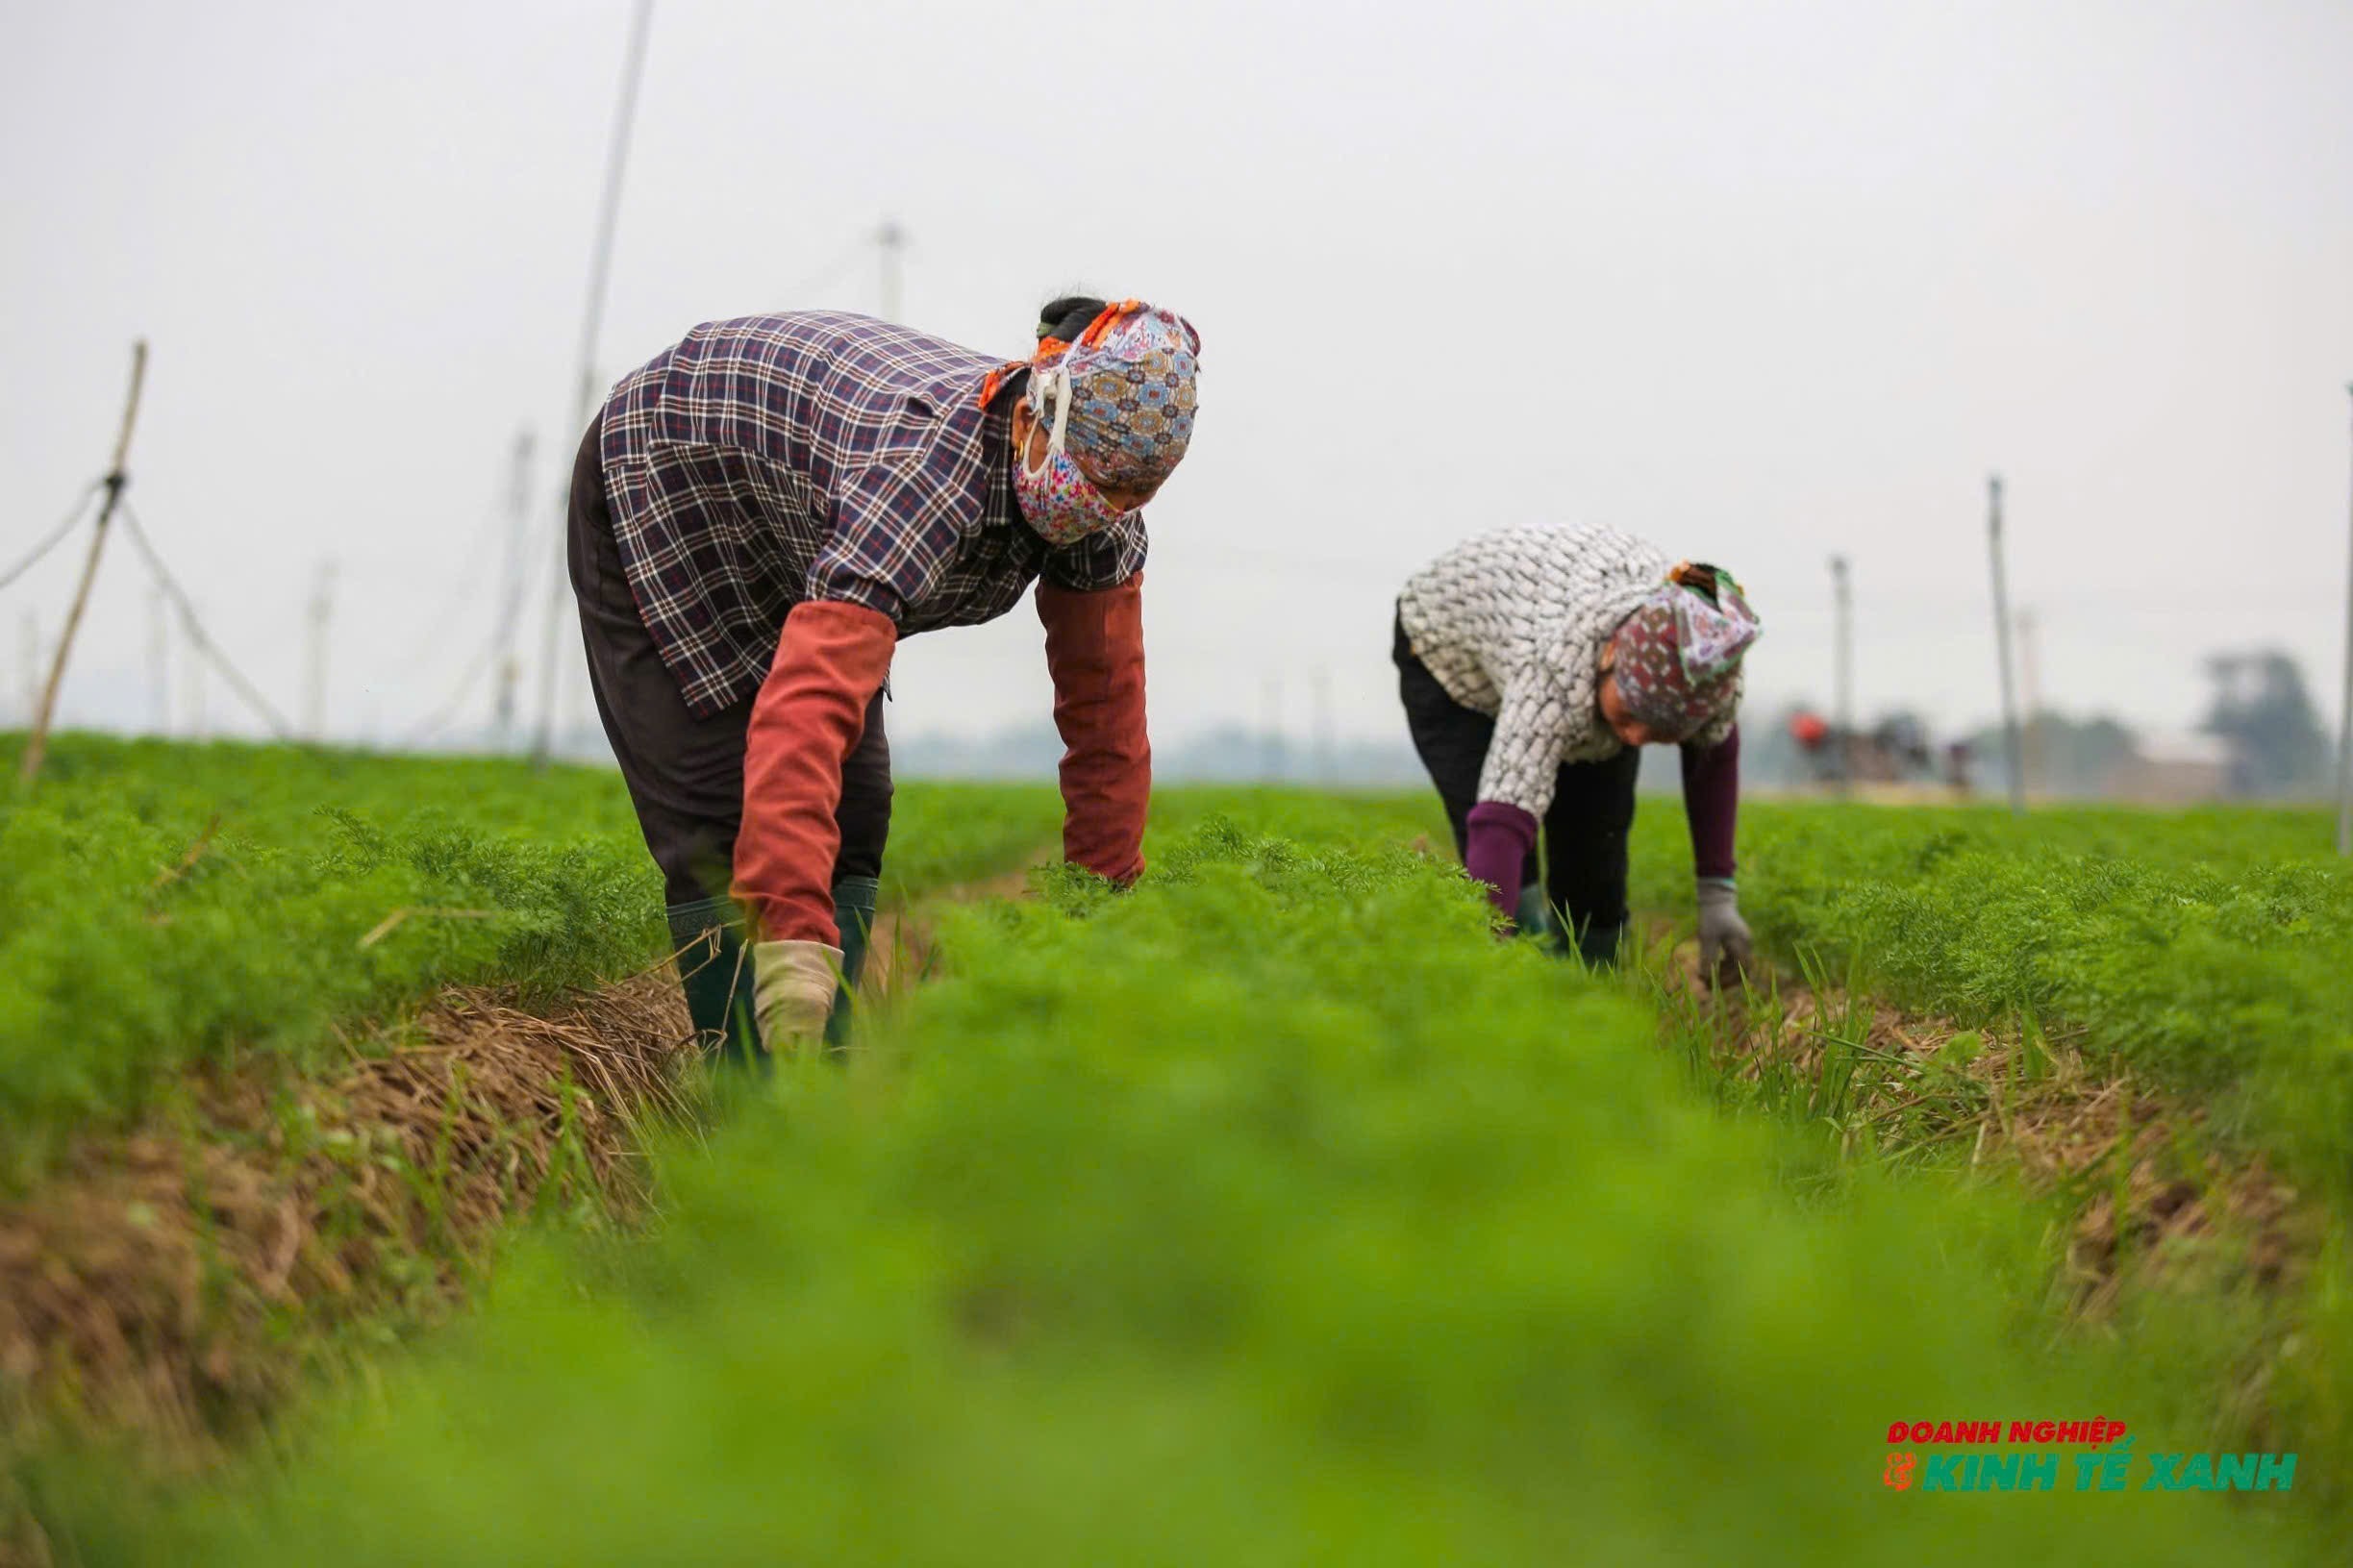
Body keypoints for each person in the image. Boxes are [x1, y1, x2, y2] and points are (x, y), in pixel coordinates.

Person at [567, 296, 1201, 1058]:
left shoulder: (1102, 515)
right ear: (1041, 416)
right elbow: (811, 708)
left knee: (858, 809)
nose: (1108, 508)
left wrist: (1097, 919)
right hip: (670, 485)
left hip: (799, 522)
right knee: (720, 822)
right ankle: (752, 1090)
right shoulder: (920, 479)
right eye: (1097, 480)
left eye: (1136, 493)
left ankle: (818, 1070)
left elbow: (1107, 718)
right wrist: (791, 933)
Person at [1392, 524, 1761, 981]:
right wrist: (1489, 965)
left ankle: (1591, 991)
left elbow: (1712, 760)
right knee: (1510, 871)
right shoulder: (1550, 672)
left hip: (1561, 634)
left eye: (1660, 735)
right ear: (1610, 656)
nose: (1634, 739)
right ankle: (1525, 980)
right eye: (1629, 717)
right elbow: (1500, 822)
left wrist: (1717, 897)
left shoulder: (1708, 670)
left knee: (1595, 871)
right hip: (1448, 654)